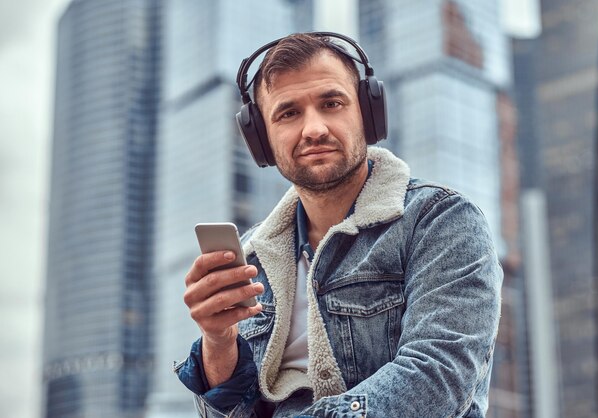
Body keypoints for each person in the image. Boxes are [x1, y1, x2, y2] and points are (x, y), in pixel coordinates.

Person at [175, 32, 502, 418]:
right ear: (261, 138)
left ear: (368, 112)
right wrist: (218, 341)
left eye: (331, 103)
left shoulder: (441, 222)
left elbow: (438, 377)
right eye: (288, 113)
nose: (313, 129)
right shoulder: (252, 259)